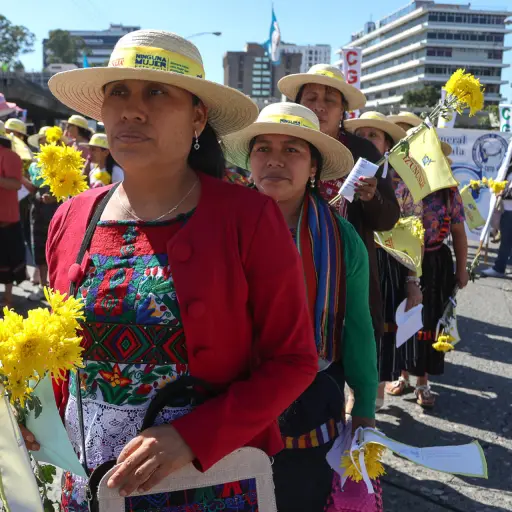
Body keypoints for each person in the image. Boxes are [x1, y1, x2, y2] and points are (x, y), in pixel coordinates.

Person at [41, 29, 318, 510]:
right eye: (119, 92)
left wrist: (193, 436)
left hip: (205, 483)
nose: (132, 109)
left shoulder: (247, 218)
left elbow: (293, 361)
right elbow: (56, 360)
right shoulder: (72, 216)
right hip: (82, 486)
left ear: (197, 116)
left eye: (155, 92)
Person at [224, 102, 378, 512]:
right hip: (229, 395)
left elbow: (358, 326)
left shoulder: (342, 239)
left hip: (313, 399)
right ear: (250, 161)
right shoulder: (219, 226)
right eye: (263, 148)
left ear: (313, 167)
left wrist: (364, 404)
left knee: (300, 496)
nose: (275, 159)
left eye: (293, 149)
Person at [279, 64, 400, 364]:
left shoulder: (364, 152)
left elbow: (388, 219)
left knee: (347, 349)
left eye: (330, 100)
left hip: (347, 272)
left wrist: (372, 198)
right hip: (286, 266)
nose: (320, 106)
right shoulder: (281, 142)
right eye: (311, 98)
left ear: (343, 110)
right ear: (298, 104)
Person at [344, 112, 423, 409]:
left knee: (380, 330)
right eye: (360, 134)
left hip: (394, 264)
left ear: (387, 144)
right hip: (361, 258)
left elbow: (416, 231)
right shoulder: (346, 171)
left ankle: (371, 395)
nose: (365, 140)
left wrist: (413, 279)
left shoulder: (404, 181)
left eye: (373, 135)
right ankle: (352, 394)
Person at [24, 127, 64, 301]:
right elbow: (33, 188)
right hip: (38, 209)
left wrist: (55, 196)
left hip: (57, 210)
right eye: (42, 142)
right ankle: (43, 287)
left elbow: (68, 189)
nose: (45, 145)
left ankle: (56, 288)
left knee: (57, 248)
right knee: (39, 247)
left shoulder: (62, 164)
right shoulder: (34, 165)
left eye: (48, 142)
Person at [0, 121, 25, 308]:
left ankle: (8, 300)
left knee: (8, 263)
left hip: (6, 220)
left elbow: (16, 184)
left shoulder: (10, 156)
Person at [482, 163, 512, 278]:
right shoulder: (508, 168)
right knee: (506, 240)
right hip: (506, 210)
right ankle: (499, 267)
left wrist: (502, 192)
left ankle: (499, 268)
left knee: (506, 241)